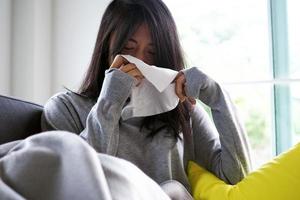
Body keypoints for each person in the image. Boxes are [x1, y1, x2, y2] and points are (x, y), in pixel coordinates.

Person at [41, 0, 251, 195]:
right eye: (128, 50)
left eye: (152, 53)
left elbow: (236, 178)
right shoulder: (65, 109)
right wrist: (111, 100)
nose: (140, 63)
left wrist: (216, 96)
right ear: (107, 49)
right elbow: (78, 185)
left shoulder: (183, 111)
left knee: (173, 190)